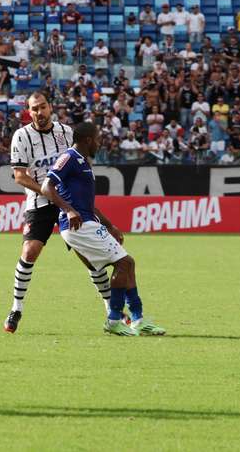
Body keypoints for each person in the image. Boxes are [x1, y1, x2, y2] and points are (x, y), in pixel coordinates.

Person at [41, 122, 166, 336]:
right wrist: (69, 211)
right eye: (98, 138)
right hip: (77, 225)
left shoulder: (83, 163)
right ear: (88, 140)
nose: (100, 143)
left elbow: (88, 204)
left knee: (128, 264)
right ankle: (114, 320)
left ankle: (138, 319)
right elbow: (46, 187)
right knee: (124, 263)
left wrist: (109, 225)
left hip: (88, 221)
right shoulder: (69, 157)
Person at [3, 92, 110, 332]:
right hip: (39, 201)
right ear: (28, 112)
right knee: (30, 251)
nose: (39, 113)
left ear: (50, 107)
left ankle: (111, 309)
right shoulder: (21, 136)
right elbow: (20, 175)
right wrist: (45, 190)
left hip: (70, 201)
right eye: (34, 109)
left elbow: (82, 165)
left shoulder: (67, 132)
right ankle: (16, 308)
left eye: (42, 107)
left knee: (89, 256)